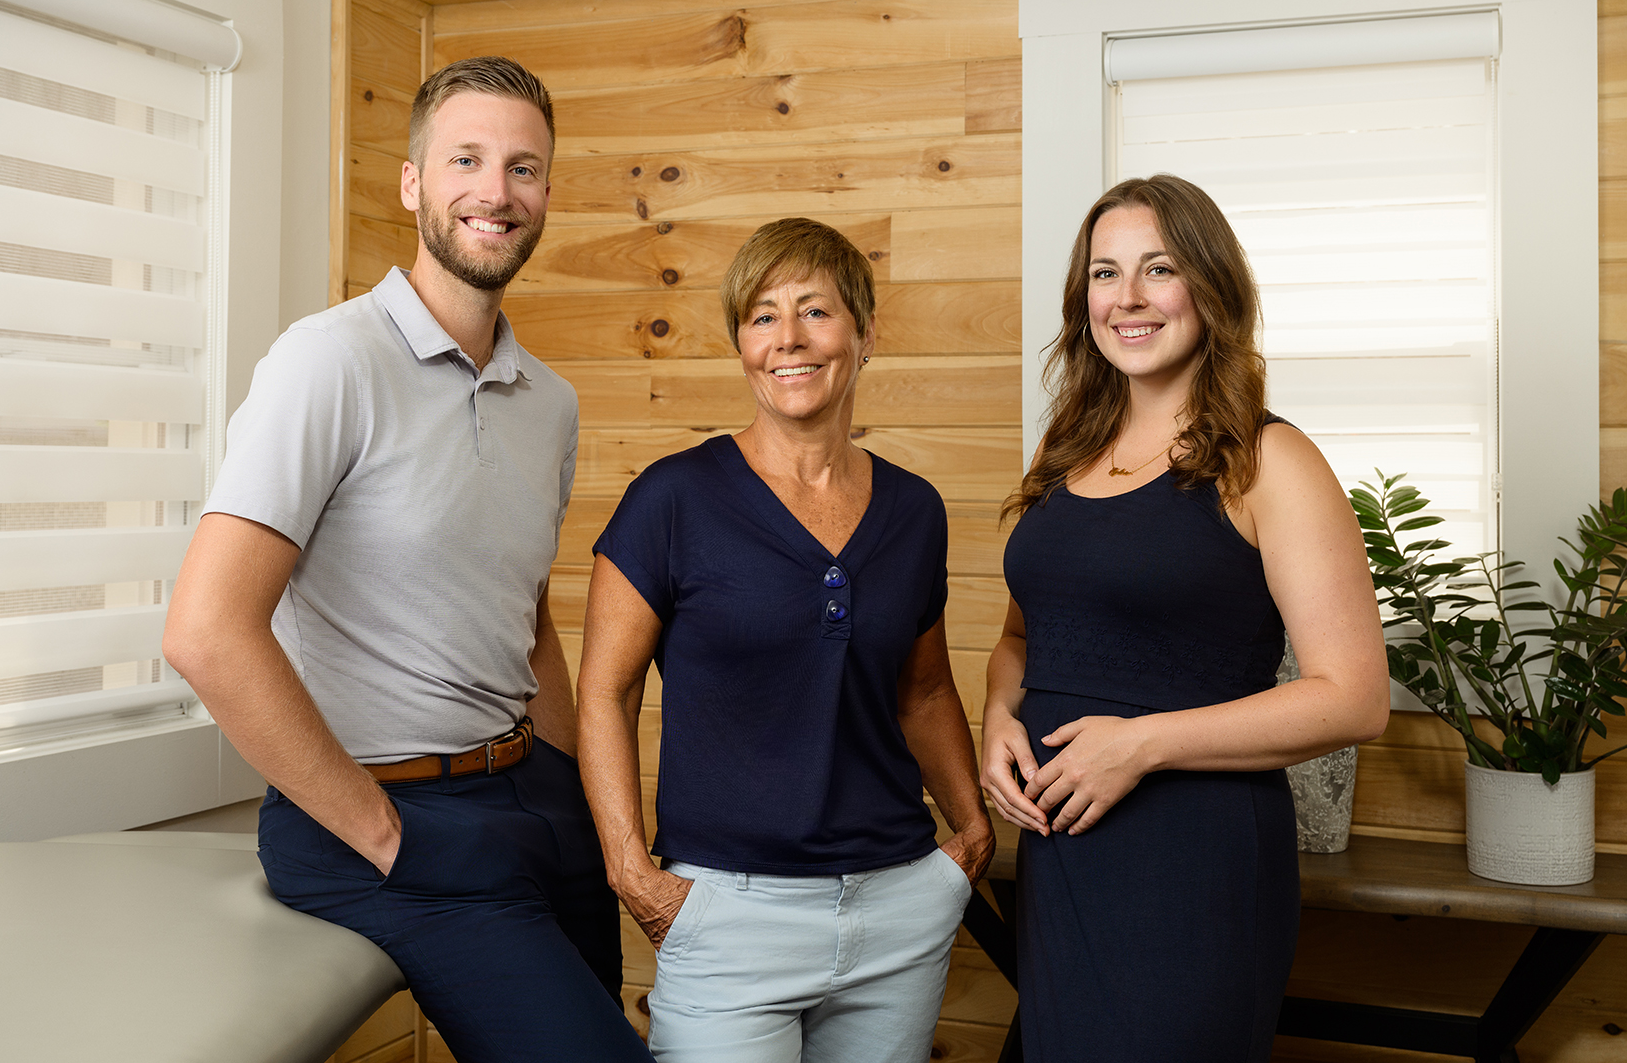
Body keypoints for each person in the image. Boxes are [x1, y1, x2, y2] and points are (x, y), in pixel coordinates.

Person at [162, 57, 653, 1063]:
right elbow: (207, 631)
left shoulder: (547, 401)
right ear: (413, 181)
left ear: (548, 193)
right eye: (466, 159)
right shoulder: (329, 359)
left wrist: (583, 803)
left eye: (524, 167)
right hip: (387, 819)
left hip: (529, 796)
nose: (496, 190)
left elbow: (524, 617)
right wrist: (386, 832)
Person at [979, 174, 1390, 1062]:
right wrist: (996, 718)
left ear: (1210, 286)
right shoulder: (1068, 450)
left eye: (1157, 269)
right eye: (1103, 273)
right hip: (1063, 857)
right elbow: (1021, 638)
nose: (1126, 298)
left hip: (1191, 858)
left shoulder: (1270, 460)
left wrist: (1141, 743)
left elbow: (1354, 698)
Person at [576, 217, 996, 1063]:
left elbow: (923, 691)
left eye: (816, 312)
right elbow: (605, 691)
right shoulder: (671, 500)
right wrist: (631, 872)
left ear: (865, 334)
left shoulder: (915, 511)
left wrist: (971, 831)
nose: (789, 339)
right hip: (727, 916)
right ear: (740, 343)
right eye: (763, 316)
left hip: (898, 909)